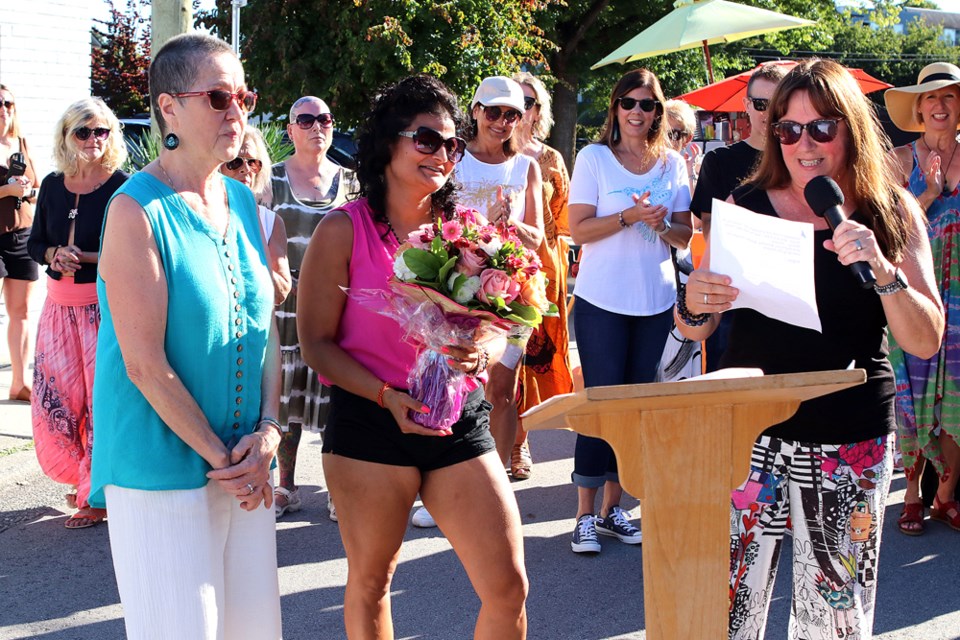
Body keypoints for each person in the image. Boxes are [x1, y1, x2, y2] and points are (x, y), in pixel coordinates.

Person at [678, 59, 943, 639]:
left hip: (849, 436)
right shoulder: (745, 207)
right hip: (748, 434)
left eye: (822, 127)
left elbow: (924, 337)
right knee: (727, 613)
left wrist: (882, 268)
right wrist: (694, 300)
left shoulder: (891, 211)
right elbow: (696, 327)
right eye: (789, 129)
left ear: (851, 128)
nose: (805, 142)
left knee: (835, 620)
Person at [297, 74, 528, 639]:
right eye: (427, 140)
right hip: (371, 422)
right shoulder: (342, 230)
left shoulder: (466, 234)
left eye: (452, 144)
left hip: (459, 421)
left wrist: (483, 350)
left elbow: (500, 325)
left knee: (508, 587)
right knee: (373, 580)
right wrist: (385, 396)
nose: (444, 154)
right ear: (387, 146)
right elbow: (316, 344)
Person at [89, 33, 282, 639]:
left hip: (245, 462)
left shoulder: (244, 201)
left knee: (252, 631)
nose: (237, 114)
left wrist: (269, 432)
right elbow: (143, 364)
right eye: (219, 97)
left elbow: (265, 328)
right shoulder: (134, 211)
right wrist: (226, 460)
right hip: (161, 469)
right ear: (169, 108)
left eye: (244, 97)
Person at [567, 68, 693, 554]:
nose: (639, 112)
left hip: (655, 300)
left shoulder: (672, 165)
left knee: (636, 409)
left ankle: (614, 508)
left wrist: (661, 226)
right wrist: (628, 217)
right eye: (631, 103)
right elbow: (578, 230)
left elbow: (686, 237)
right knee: (602, 404)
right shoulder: (594, 158)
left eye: (649, 105)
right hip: (602, 301)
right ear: (615, 107)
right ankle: (583, 513)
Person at [27, 97, 127, 529]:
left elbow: (133, 252)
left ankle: (98, 493)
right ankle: (85, 477)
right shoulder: (51, 184)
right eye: (83, 131)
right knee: (60, 402)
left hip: (101, 309)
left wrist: (79, 256)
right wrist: (53, 252)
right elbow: (34, 244)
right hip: (56, 309)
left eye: (101, 131)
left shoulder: (123, 186)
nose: (93, 139)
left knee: (100, 401)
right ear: (66, 136)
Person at [271, 95, 355, 521]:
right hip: (283, 312)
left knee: (335, 402)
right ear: (291, 130)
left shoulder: (351, 183)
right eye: (305, 119)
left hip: (336, 311)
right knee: (286, 402)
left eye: (324, 118)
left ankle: (338, 490)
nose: (316, 126)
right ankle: (285, 485)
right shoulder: (270, 181)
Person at [885, 61, 960, 535]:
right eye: (930, 97)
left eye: (949, 96)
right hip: (913, 295)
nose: (939, 104)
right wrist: (929, 194)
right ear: (918, 108)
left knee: (957, 397)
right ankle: (910, 494)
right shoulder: (897, 161)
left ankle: (946, 496)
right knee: (910, 395)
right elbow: (888, 233)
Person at [455, 75, 544, 473]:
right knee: (457, 385)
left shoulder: (526, 167)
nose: (502, 121)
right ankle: (448, 481)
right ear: (476, 111)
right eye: (494, 112)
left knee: (502, 389)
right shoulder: (453, 158)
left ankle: (495, 484)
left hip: (514, 295)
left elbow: (538, 238)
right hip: (458, 289)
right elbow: (438, 225)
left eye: (512, 114)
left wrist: (513, 226)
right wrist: (481, 227)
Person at [689, 62, 787, 371]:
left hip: (788, 294)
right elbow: (709, 230)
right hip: (733, 295)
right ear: (746, 105)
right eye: (761, 103)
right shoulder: (720, 161)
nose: (768, 112)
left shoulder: (803, 158)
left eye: (778, 103)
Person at [510, 71, 574, 480]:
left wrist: (562, 276)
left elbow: (565, 221)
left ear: (539, 111)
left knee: (535, 360)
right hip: (495, 266)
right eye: (516, 101)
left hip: (545, 268)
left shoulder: (550, 160)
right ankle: (509, 441)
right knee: (503, 362)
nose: (522, 110)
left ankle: (521, 438)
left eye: (530, 102)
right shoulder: (483, 154)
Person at [220, 125, 291, 305]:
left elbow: (281, 292)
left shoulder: (271, 222)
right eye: (235, 162)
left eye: (253, 162)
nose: (245, 169)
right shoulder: (199, 214)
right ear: (218, 166)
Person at [0, 83, 39, 403]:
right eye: (0, 103)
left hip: (20, 233)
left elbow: (38, 187)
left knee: (21, 311)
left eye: (9, 103)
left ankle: (19, 382)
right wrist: (6, 190)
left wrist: (25, 189)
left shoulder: (20, 143)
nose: (4, 109)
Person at [663, 99, 701, 192]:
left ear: (687, 139)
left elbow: (693, 205)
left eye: (672, 134)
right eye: (660, 132)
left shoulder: (693, 171)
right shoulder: (639, 165)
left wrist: (690, 173)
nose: (664, 139)